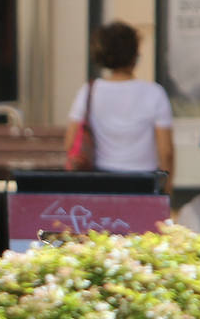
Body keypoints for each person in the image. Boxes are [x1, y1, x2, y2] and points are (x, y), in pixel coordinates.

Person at [64, 21, 174, 193]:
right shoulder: (155, 93)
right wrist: (166, 190)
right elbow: (166, 151)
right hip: (144, 182)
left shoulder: (89, 92)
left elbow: (70, 142)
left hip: (101, 182)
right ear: (134, 55)